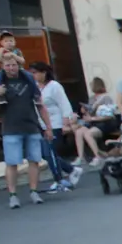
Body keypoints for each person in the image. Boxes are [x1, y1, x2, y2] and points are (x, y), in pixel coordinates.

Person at [0, 54, 54, 209]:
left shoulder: (29, 81)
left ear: (19, 65)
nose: (11, 68)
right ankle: (13, 195)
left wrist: (48, 127)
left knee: (34, 161)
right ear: (2, 66)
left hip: (31, 126)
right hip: (11, 129)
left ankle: (34, 191)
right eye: (8, 65)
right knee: (12, 163)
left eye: (14, 65)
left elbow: (40, 105)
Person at [29, 62, 79, 191]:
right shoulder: (35, 87)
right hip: (41, 124)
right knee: (45, 153)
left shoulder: (54, 86)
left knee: (49, 151)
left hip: (55, 123)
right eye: (32, 73)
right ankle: (71, 169)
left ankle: (59, 179)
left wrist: (66, 122)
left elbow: (64, 103)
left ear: (44, 73)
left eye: (35, 73)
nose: (33, 75)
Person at [71, 77, 119, 165]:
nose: (90, 86)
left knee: (88, 133)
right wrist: (85, 111)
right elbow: (91, 113)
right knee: (78, 132)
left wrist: (92, 118)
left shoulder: (106, 98)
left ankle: (98, 157)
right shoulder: (92, 98)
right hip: (94, 122)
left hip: (105, 122)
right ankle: (81, 157)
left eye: (92, 84)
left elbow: (109, 115)